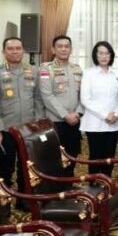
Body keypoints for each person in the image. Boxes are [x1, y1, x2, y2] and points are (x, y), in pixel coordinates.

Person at [0, 37, 42, 209]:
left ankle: (24, 200)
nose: (15, 51)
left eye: (18, 48)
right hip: (5, 130)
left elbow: (38, 99)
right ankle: (4, 204)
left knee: (27, 166)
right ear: (4, 52)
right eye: (10, 49)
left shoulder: (33, 71)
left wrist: (38, 123)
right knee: (5, 168)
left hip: (28, 128)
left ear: (23, 51)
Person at [38, 35, 83, 176]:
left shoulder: (77, 69)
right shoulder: (46, 69)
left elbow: (84, 95)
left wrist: (78, 113)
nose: (64, 49)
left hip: (75, 120)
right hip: (56, 122)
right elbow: (47, 95)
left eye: (67, 46)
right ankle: (57, 187)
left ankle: (69, 184)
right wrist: (65, 115)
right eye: (60, 46)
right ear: (53, 49)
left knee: (72, 155)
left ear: (71, 49)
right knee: (55, 158)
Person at [79, 41, 118, 176]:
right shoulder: (89, 73)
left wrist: (116, 114)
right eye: (101, 53)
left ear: (111, 55)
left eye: (107, 53)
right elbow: (85, 99)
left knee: (110, 156)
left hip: (113, 123)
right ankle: (93, 184)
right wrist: (105, 115)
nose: (104, 56)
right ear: (95, 55)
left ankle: (107, 184)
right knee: (95, 156)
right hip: (94, 123)